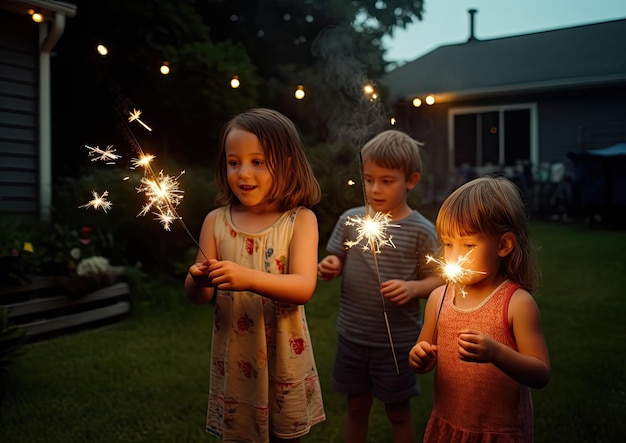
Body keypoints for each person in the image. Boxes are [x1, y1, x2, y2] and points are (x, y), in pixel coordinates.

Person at [185, 108, 326, 442]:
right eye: (234, 162)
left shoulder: (300, 220)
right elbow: (198, 296)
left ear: (288, 164)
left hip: (283, 356)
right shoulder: (215, 222)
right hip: (237, 358)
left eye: (258, 161)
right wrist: (199, 279)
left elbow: (304, 287)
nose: (243, 172)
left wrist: (248, 278)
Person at [318, 130, 443, 443]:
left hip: (397, 341)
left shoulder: (421, 231)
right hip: (352, 334)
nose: (375, 189)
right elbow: (337, 258)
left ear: (411, 181)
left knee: (397, 411)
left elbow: (441, 278)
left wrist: (414, 289)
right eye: (368, 179)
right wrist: (331, 266)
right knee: (356, 405)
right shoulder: (351, 219)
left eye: (386, 180)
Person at [409, 176, 551, 442]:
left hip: (498, 431)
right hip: (449, 424)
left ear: (503, 245)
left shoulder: (516, 304)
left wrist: (496, 353)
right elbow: (422, 352)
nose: (454, 256)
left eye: (469, 245)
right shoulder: (438, 298)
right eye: (448, 244)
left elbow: (541, 373)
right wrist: (419, 357)